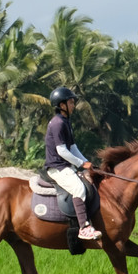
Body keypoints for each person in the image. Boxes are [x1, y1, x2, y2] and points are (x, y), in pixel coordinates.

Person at [43, 86, 102, 240]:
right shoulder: (58, 123)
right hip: (57, 167)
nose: (73, 105)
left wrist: (86, 162)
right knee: (78, 189)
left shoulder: (65, 121)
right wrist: (81, 164)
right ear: (62, 105)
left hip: (66, 166)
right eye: (70, 102)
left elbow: (73, 148)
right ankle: (84, 227)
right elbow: (62, 151)